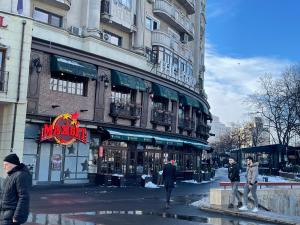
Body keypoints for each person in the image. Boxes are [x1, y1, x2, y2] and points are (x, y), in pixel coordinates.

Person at [0, 153, 31, 225]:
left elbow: (24, 197)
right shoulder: (10, 176)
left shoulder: (20, 175)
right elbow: (4, 196)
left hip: (12, 215)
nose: (4, 167)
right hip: (5, 214)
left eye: (6, 164)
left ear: (13, 164)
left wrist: (17, 216)